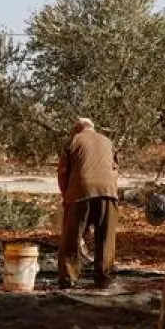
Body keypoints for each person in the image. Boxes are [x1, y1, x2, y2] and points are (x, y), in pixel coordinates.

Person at [56, 117, 119, 289]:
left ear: (77, 129)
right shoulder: (108, 141)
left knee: (72, 238)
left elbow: (63, 172)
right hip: (109, 192)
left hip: (80, 191)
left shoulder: (73, 141)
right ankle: (104, 278)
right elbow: (114, 169)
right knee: (106, 237)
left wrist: (66, 197)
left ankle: (69, 278)